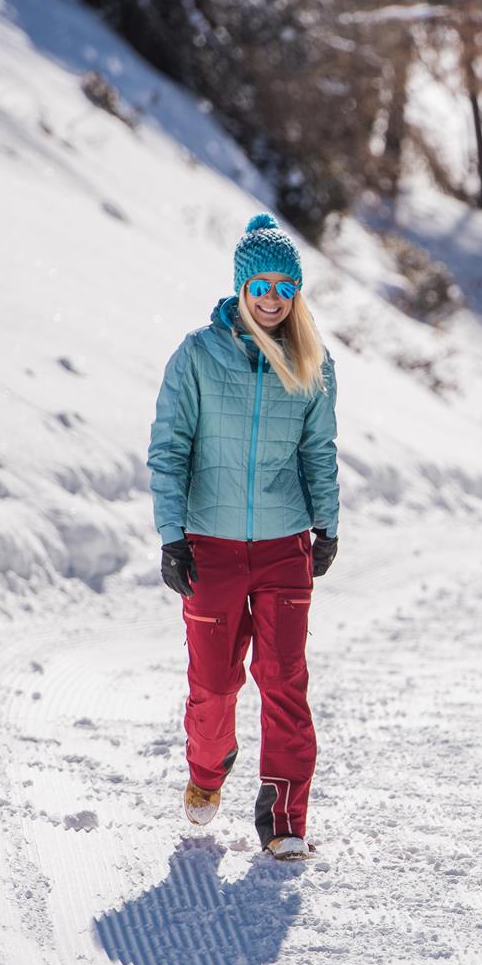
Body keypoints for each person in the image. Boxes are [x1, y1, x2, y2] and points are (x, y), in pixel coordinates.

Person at [148, 213, 340, 861]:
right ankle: (209, 766)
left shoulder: (312, 362)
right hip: (211, 547)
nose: (270, 296)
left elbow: (320, 451)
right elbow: (168, 449)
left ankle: (285, 819)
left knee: (285, 680)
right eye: (259, 283)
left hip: (286, 546)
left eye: (283, 285)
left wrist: (327, 525)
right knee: (213, 685)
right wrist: (172, 536)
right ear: (240, 287)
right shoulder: (198, 355)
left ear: (294, 293)